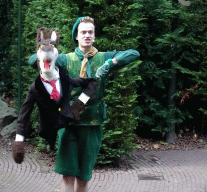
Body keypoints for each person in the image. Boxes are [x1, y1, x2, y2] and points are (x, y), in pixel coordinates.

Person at [28, 16, 140, 192]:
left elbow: (134, 53)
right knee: (67, 174)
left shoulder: (103, 57)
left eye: (90, 32)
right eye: (83, 32)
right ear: (77, 36)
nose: (87, 35)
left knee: (83, 177)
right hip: (68, 123)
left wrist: (112, 62)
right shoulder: (64, 59)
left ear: (94, 36)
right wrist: (48, 50)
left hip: (92, 125)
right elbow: (32, 60)